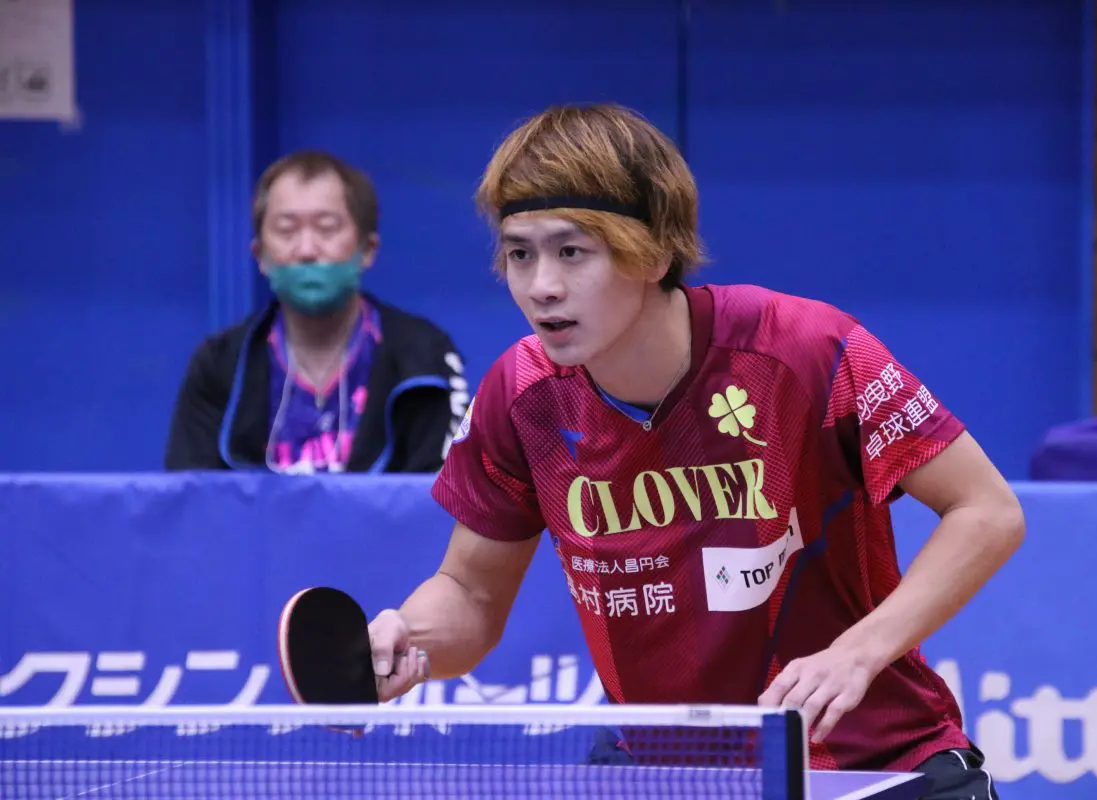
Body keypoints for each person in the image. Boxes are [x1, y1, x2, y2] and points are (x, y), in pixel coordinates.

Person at [366, 105, 1023, 799]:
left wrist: (859, 652)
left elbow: (987, 511)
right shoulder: (522, 394)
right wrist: (407, 637)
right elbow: (472, 593)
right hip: (669, 773)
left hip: (875, 763)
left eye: (572, 252)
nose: (540, 286)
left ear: (653, 252)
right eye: (520, 253)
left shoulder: (806, 350)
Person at [165, 150, 468, 475]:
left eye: (326, 228)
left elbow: (444, 492)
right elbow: (188, 494)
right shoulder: (218, 364)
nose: (307, 250)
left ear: (368, 249)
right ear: (260, 255)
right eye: (287, 230)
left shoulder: (425, 357)